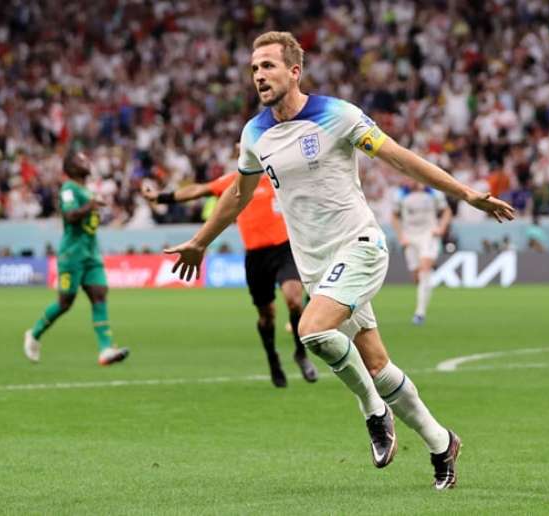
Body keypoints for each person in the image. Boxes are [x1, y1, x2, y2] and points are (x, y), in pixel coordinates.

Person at [163, 32, 514, 490]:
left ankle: (374, 412)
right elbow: (237, 196)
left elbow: (400, 159)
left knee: (312, 330)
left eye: (268, 66)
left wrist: (466, 193)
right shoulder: (254, 133)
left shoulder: (337, 114)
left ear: (294, 71)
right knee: (378, 364)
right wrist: (200, 241)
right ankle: (441, 442)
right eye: (253, 69)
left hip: (360, 246)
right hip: (316, 266)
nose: (259, 76)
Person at [142, 173, 318, 387]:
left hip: (284, 249)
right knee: (267, 315)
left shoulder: (278, 172)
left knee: (294, 300)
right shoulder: (236, 180)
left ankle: (301, 354)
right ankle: (273, 359)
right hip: (255, 256)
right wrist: (161, 198)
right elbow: (198, 190)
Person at [24, 152, 129, 366]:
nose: (87, 162)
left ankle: (106, 349)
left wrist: (96, 213)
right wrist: (91, 206)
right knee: (65, 302)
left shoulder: (86, 190)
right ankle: (33, 334)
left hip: (91, 253)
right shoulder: (68, 189)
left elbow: (88, 220)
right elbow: (69, 215)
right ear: (70, 168)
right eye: (81, 160)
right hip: (71, 254)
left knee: (99, 295)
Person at [391, 179, 451, 325]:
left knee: (425, 269)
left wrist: (441, 228)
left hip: (428, 235)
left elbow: (447, 211)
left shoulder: (433, 192)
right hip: (410, 237)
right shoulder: (400, 194)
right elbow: (394, 216)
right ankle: (423, 296)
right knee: (417, 276)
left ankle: (420, 313)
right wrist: (401, 237)